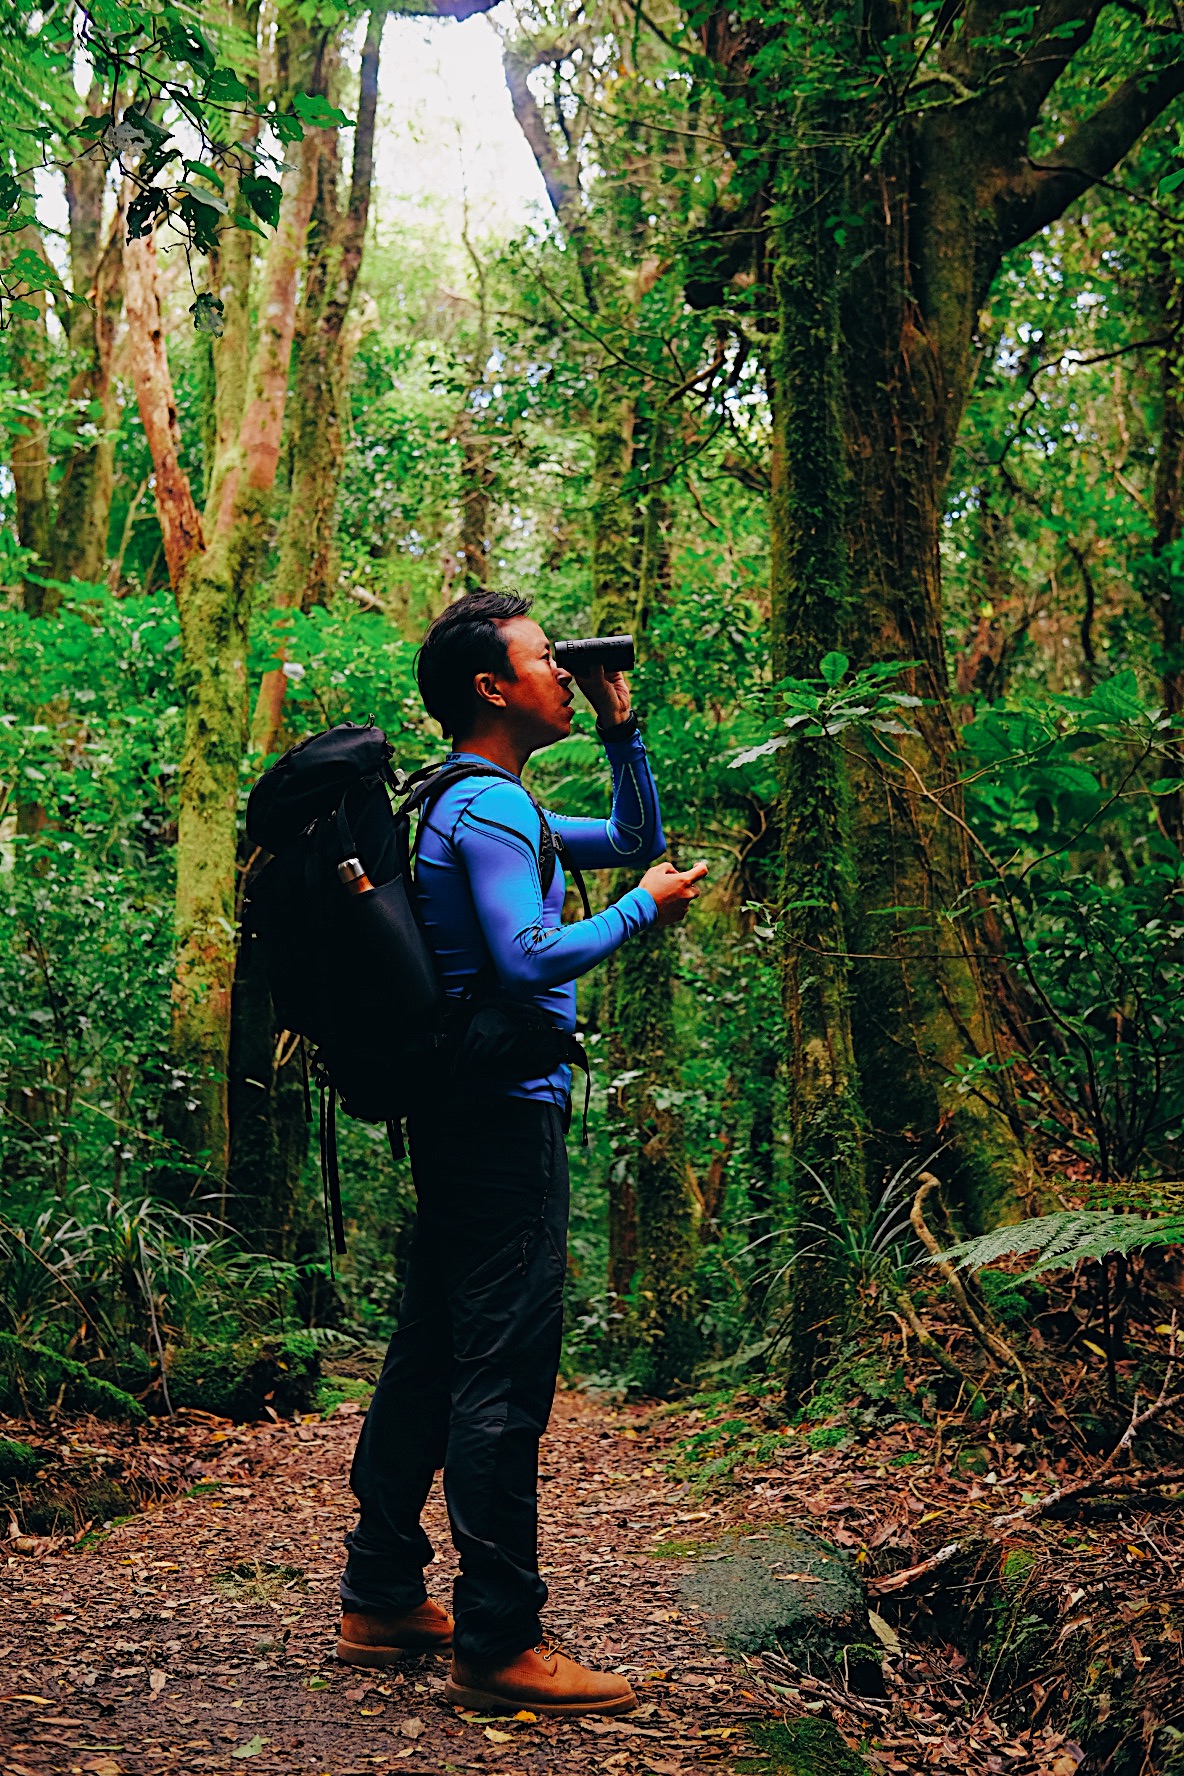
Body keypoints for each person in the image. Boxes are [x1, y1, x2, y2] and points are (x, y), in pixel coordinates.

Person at [336, 591, 707, 1717]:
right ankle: (499, 1639)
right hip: (499, 1114)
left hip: (460, 1111)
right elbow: (529, 954)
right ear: (490, 688)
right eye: (546, 659)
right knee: (499, 1372)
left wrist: (619, 726)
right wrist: (640, 913)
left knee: (432, 1349)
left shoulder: (476, 800)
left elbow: (635, 838)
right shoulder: (490, 807)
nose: (561, 669)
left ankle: (383, 1590)